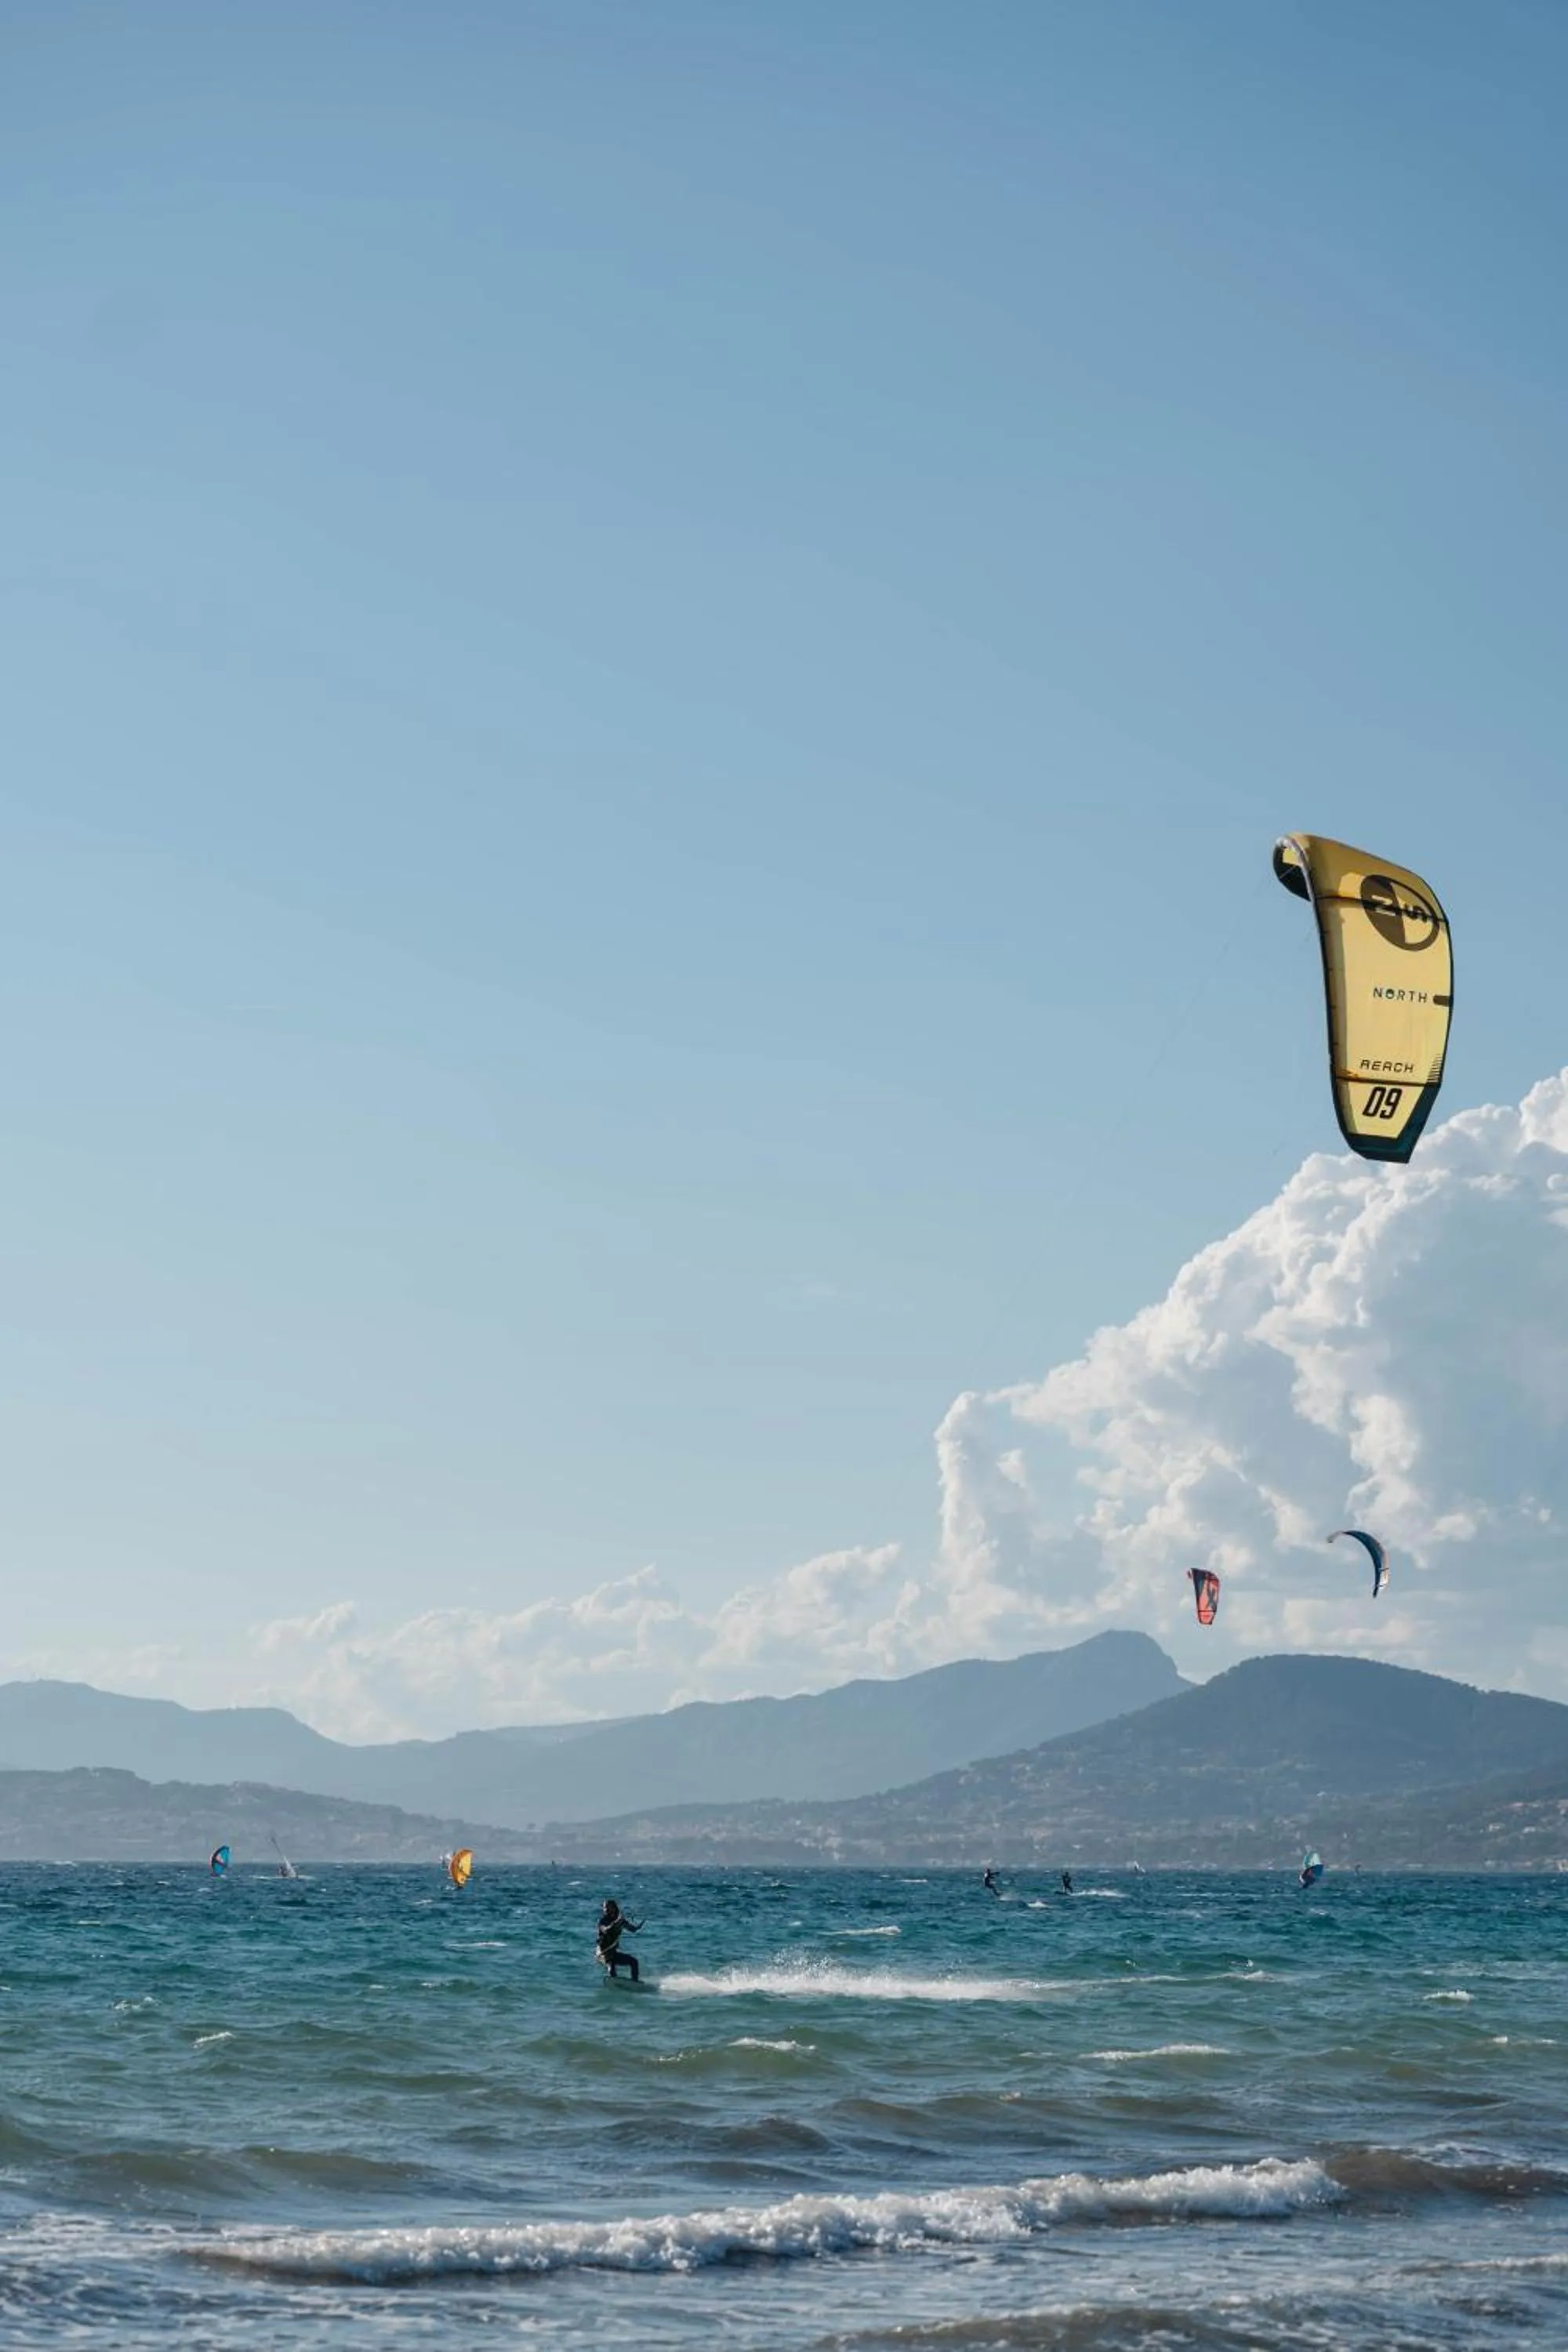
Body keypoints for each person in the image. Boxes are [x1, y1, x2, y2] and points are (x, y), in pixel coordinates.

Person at [596, 1898, 643, 1981]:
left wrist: (638, 1927)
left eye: (607, 1907)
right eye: (604, 1907)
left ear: (613, 1908)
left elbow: (632, 1929)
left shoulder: (621, 1922)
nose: (605, 1910)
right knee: (611, 1966)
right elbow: (606, 1930)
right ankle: (612, 1982)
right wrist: (614, 1924)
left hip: (613, 1953)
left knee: (634, 1962)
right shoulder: (602, 1921)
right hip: (603, 1953)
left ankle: (635, 1983)